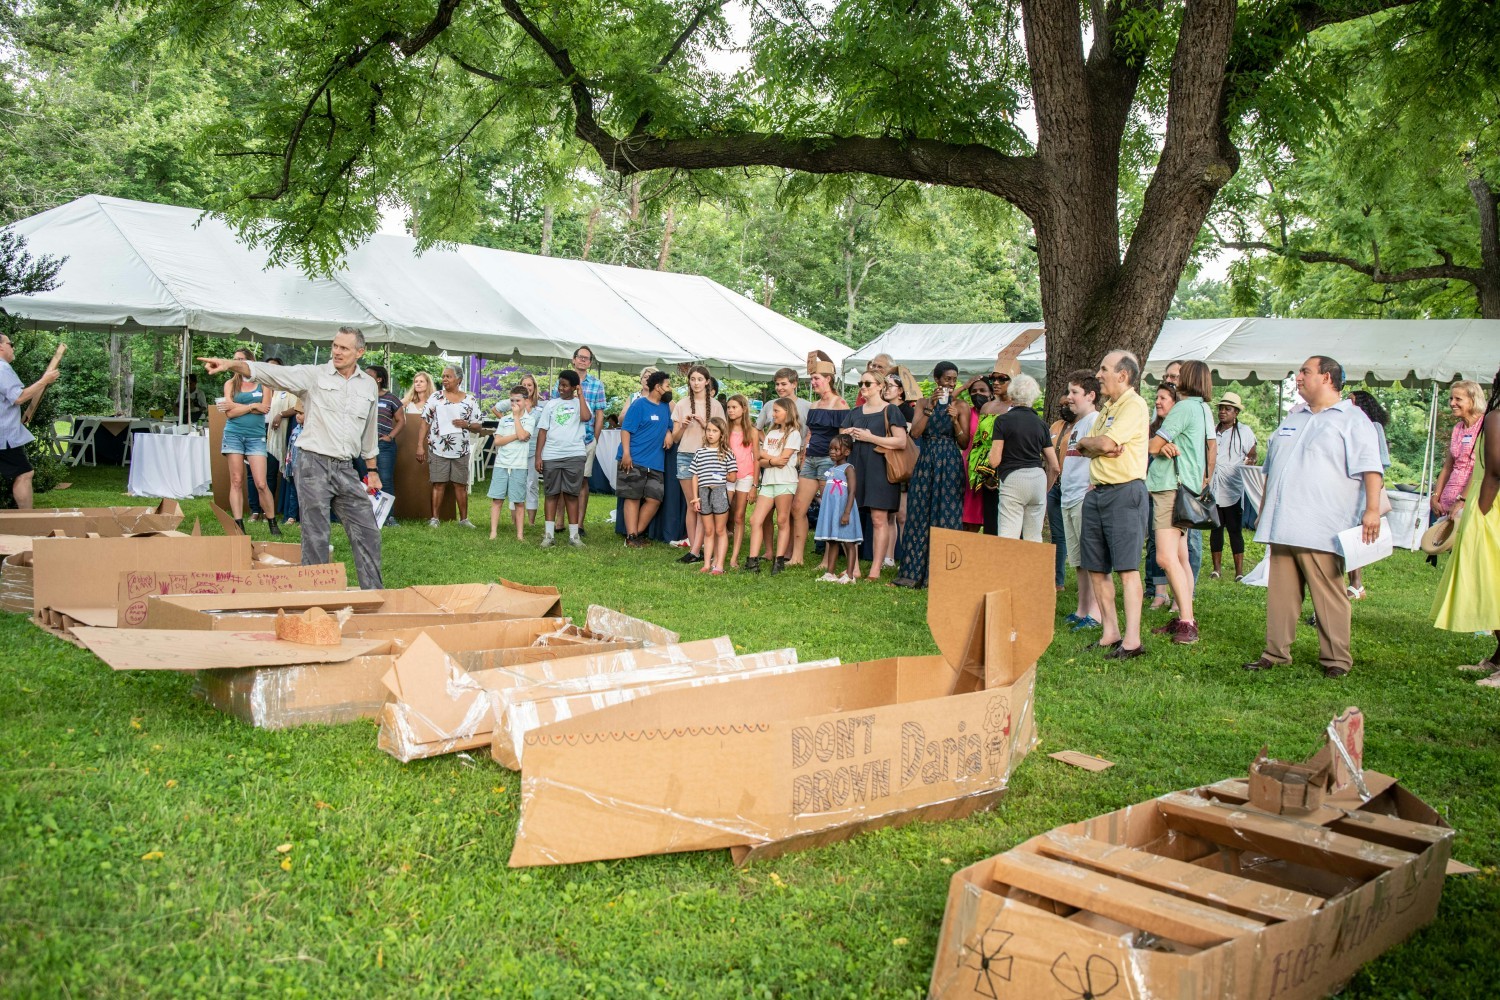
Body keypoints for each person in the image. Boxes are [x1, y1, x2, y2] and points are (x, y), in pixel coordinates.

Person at [199, 327, 384, 589]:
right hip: (312, 464)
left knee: (368, 531)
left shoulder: (367, 385)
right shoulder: (314, 375)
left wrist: (372, 469)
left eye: (344, 348)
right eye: (335, 345)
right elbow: (272, 373)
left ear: (360, 352)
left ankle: (373, 595)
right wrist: (232, 364)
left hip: (345, 468)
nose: (337, 351)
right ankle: (315, 598)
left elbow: (369, 430)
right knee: (316, 534)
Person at [1242, 356, 1384, 679]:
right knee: (1281, 593)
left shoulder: (1352, 419)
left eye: (1305, 372)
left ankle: (1336, 659)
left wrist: (1372, 510)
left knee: (1327, 591)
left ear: (1327, 378)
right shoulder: (1295, 417)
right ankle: (1274, 652)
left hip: (1322, 525)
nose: (1299, 377)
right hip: (1283, 523)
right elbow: (1273, 465)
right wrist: (1264, 507)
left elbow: (1371, 468)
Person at [1076, 349, 1152, 660]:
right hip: (1096, 493)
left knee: (1126, 568)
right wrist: (1092, 445)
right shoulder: (1108, 407)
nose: (1098, 375)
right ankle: (1111, 632)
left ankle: (1132, 641)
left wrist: (1098, 445)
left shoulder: (1134, 405)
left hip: (1124, 492)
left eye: (1104, 369)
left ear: (1122, 375)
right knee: (1096, 566)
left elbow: (1103, 443)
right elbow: (1086, 446)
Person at [1431, 366, 1500, 685]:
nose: (1453, 403)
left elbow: (1493, 471)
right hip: (1476, 497)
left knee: (1488, 580)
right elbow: (1454, 461)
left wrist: (1478, 511)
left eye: (1458, 398)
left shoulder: (1494, 419)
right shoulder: (1470, 426)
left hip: (1485, 502)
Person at [1146, 360, 1216, 645]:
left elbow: (1152, 445)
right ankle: (1185, 616)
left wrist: (1162, 446)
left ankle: (1187, 622)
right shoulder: (1203, 409)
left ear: (1187, 379)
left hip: (1169, 488)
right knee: (1180, 556)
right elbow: (1208, 445)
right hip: (1186, 487)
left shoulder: (1184, 408)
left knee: (1164, 557)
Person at [893, 362, 970, 588]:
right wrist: (931, 408)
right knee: (919, 514)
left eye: (954, 379)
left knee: (947, 514)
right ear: (937, 380)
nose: (951, 383)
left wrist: (955, 421)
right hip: (926, 460)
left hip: (950, 461)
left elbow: (964, 443)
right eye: (947, 379)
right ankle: (913, 572)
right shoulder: (924, 403)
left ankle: (943, 574)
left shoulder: (961, 405)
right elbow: (915, 432)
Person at [844, 371, 908, 581]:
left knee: (879, 518)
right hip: (856, 468)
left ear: (880, 386)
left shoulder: (890, 410)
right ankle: (853, 568)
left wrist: (871, 438)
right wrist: (848, 434)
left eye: (868, 383)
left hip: (881, 468)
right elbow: (840, 439)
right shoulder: (854, 411)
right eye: (861, 382)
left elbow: (901, 442)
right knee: (851, 516)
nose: (863, 386)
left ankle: (876, 569)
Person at [790, 358, 851, 567]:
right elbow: (810, 435)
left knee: (828, 509)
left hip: (829, 461)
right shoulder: (814, 405)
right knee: (798, 508)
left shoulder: (840, 404)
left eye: (816, 378)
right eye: (812, 378)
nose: (813, 382)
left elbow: (844, 439)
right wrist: (803, 458)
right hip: (811, 460)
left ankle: (827, 559)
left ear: (828, 379)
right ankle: (797, 557)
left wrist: (839, 467)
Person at [216, 348, 281, 536]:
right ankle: (238, 525)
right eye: (234, 359)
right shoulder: (230, 384)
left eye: (241, 359)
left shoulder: (263, 384)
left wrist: (239, 406)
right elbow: (229, 413)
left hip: (256, 436)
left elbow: (265, 409)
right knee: (236, 480)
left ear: (250, 362)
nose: (237, 362)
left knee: (261, 483)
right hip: (234, 434)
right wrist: (252, 405)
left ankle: (272, 521)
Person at [988, 373, 1058, 543]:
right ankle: (1034, 570)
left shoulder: (1002, 421)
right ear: (1033, 396)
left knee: (1008, 536)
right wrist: (1045, 488)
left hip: (1013, 478)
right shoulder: (1041, 423)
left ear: (1011, 394)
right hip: (1037, 479)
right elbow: (1055, 466)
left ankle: (1008, 570)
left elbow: (994, 461)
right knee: (1034, 537)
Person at [1060, 370, 1102, 630]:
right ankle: (1082, 608)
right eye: (1069, 392)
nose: (1068, 398)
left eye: (1074, 392)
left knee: (1091, 558)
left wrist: (1091, 486)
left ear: (1091, 395)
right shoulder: (1078, 424)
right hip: (1068, 495)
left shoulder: (1096, 420)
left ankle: (1096, 613)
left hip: (1083, 497)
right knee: (1077, 560)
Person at [671, 364, 726, 565]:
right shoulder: (681, 404)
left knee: (704, 503)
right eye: (692, 379)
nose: (696, 383)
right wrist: (683, 426)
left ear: (707, 382)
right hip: (686, 455)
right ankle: (695, 549)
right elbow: (675, 438)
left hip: (709, 458)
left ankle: (699, 549)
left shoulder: (717, 406)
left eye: (699, 379)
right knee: (692, 503)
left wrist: (705, 425)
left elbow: (722, 435)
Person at [418, 365, 484, 528]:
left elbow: (478, 426)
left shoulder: (470, 400)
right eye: (444, 376)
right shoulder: (435, 397)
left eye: (448, 376)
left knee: (460, 484)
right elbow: (425, 422)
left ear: (459, 380)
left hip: (461, 449)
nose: (444, 379)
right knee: (438, 483)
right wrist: (419, 445)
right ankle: (435, 519)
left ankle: (464, 520)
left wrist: (466, 424)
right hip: (437, 448)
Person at [754, 367, 811, 558]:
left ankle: (788, 551)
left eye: (784, 384)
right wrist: (767, 448)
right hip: (772, 458)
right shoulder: (770, 404)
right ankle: (769, 550)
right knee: (767, 513)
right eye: (777, 384)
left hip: (794, 461)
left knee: (789, 510)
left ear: (794, 384)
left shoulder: (806, 406)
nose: (779, 387)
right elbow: (758, 428)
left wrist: (802, 450)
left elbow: (810, 431)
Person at [0, 332, 59, 509]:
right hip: (4, 436)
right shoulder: (2, 368)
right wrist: (44, 380)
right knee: (24, 473)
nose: (13, 347)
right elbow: (18, 397)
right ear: (1, 347)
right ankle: (27, 519)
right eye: (11, 344)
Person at [535, 368, 592, 548]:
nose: (561, 388)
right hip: (552, 455)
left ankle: (574, 536)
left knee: (571, 495)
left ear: (574, 387)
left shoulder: (581, 403)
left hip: (574, 454)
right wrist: (539, 456)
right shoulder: (551, 405)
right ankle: (549, 535)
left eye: (565, 385)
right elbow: (542, 431)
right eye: (560, 384)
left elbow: (586, 417)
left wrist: (581, 395)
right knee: (551, 494)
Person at [617, 370, 673, 548]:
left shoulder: (665, 407)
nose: (669, 388)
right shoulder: (639, 405)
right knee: (632, 497)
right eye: (667, 385)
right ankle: (632, 537)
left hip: (655, 462)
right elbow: (626, 429)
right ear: (657, 387)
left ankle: (634, 535)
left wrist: (669, 432)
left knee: (654, 499)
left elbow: (667, 425)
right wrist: (626, 453)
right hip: (634, 458)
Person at [747, 398, 802, 574]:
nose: (773, 414)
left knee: (782, 520)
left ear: (788, 412)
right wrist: (771, 459)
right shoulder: (771, 433)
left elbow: (782, 461)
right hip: (768, 481)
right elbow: (760, 459)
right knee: (755, 520)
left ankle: (779, 561)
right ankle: (752, 560)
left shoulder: (794, 434)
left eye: (777, 411)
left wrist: (766, 457)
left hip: (785, 481)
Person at [1345, 390, 1392, 598]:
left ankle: (1356, 584)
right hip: (1347, 490)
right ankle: (1355, 584)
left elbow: (1381, 462)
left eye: (1351, 400)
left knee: (1354, 535)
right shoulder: (1348, 425)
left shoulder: (1374, 427)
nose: (1347, 403)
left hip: (1364, 491)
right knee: (1348, 537)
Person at [1209, 391, 1257, 581]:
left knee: (1235, 529)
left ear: (1236, 412)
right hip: (1214, 484)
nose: (1223, 412)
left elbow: (1253, 452)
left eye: (1227, 409)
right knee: (1216, 527)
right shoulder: (1212, 430)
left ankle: (1239, 571)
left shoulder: (1244, 431)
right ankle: (1216, 569)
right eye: (1221, 408)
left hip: (1233, 485)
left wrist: (1250, 460)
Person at [486, 384, 538, 541]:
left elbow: (524, 435)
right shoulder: (504, 420)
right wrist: (516, 435)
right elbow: (498, 441)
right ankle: (493, 532)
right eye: (512, 400)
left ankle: (520, 534)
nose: (514, 403)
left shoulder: (530, 419)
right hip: (502, 464)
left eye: (518, 400)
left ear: (525, 401)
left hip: (519, 466)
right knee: (497, 499)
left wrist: (516, 418)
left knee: (518, 501)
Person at [566, 345, 607, 535]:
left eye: (586, 358)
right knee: (561, 480)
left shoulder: (597, 384)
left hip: (586, 438)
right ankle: (559, 521)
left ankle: (579, 524)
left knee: (583, 481)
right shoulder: (564, 380)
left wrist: (595, 439)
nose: (582, 360)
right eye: (580, 357)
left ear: (590, 363)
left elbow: (600, 414)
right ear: (573, 359)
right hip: (564, 437)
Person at [689, 417, 738, 575]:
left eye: (715, 431)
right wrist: (696, 497)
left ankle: (719, 566)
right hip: (703, 493)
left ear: (722, 434)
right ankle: (706, 564)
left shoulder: (727, 453)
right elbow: (695, 475)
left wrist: (717, 474)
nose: (710, 434)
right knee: (708, 530)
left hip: (719, 492)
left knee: (720, 530)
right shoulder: (700, 452)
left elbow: (733, 476)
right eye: (708, 430)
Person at [968, 372, 1013, 535]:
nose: (996, 382)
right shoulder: (987, 407)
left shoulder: (1018, 406)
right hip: (988, 469)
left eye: (1002, 379)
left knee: (1011, 521)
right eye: (994, 379)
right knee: (991, 521)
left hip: (1011, 467)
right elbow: (979, 442)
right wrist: (985, 472)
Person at [815, 433, 862, 583]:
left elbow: (852, 491)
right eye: (831, 449)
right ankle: (830, 572)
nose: (832, 452)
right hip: (832, 510)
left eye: (836, 449)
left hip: (843, 510)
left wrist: (847, 512)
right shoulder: (832, 468)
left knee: (849, 542)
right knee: (833, 541)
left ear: (847, 452)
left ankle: (850, 574)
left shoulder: (849, 469)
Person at [367, 365, 404, 527]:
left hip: (384, 446)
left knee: (385, 479)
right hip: (364, 445)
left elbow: (402, 421)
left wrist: (390, 437)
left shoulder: (391, 398)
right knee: (365, 479)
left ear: (379, 379)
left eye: (369, 375)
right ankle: (368, 517)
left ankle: (388, 517)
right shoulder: (362, 396)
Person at [725, 394, 759, 569]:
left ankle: (734, 557)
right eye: (729, 407)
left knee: (739, 516)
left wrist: (754, 485)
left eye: (734, 407)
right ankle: (718, 553)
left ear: (744, 409)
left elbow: (756, 460)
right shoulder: (725, 429)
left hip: (746, 477)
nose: (730, 410)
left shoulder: (752, 431)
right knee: (722, 514)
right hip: (726, 476)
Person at [1047, 400, 1075, 590]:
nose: (1064, 407)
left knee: (1078, 534)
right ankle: (1058, 580)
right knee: (1058, 535)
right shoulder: (1056, 426)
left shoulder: (1087, 426)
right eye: (1061, 405)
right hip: (1053, 485)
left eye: (1067, 404)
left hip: (1073, 486)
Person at [960, 376, 992, 531]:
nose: (978, 394)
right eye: (974, 391)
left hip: (990, 467)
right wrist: (963, 386)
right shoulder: (967, 411)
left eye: (982, 390)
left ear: (991, 393)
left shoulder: (998, 412)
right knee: (969, 515)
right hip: (969, 467)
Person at [519, 373, 543, 526]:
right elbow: (497, 409)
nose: (527, 388)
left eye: (530, 385)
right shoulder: (515, 405)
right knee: (517, 483)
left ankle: (531, 521)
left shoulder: (540, 409)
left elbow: (542, 431)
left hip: (534, 451)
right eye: (524, 385)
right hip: (518, 450)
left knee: (532, 484)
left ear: (534, 388)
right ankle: (517, 519)